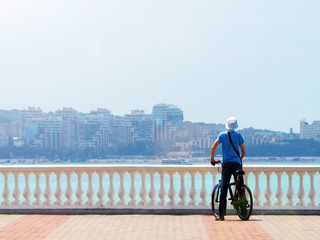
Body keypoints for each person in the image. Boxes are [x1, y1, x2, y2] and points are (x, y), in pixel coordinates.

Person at [210, 117, 246, 221]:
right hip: (237, 164)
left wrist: (212, 159)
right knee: (240, 187)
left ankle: (221, 215)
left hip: (226, 164)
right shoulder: (239, 136)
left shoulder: (222, 135)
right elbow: (243, 152)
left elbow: (213, 147)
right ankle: (243, 212)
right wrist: (238, 160)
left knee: (224, 189)